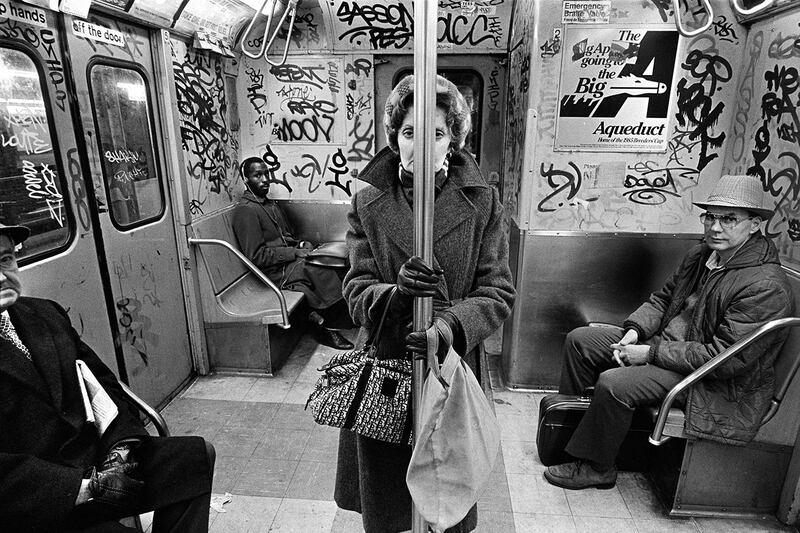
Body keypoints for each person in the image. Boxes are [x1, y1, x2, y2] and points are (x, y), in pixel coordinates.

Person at [334, 74, 516, 532]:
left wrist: (449, 326)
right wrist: (393, 294)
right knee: (391, 502)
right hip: (387, 364)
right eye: (410, 132)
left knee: (446, 488)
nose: (422, 145)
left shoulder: (484, 203)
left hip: (448, 363)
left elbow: (497, 291)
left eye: (435, 133)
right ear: (395, 138)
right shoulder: (368, 202)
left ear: (452, 140)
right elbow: (356, 289)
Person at [544, 174, 795, 490]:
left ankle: (597, 465)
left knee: (614, 383)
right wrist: (635, 331)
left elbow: (725, 358)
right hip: (666, 347)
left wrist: (648, 353)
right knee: (581, 341)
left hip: (711, 378)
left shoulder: (765, 286)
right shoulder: (702, 254)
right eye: (710, 217)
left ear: (754, 224)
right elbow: (664, 299)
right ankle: (575, 431)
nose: (716, 227)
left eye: (729, 219)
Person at [0, 222, 216, 532]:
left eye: (5, 259)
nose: (2, 276)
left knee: (195, 458)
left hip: (95, 461)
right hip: (39, 497)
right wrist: (79, 488)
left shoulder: (45, 314)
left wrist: (120, 451)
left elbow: (104, 385)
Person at [232, 157, 354, 350]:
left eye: (266, 174)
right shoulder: (246, 211)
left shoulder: (270, 205)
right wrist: (294, 253)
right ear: (246, 180)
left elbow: (287, 237)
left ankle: (341, 318)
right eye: (257, 175)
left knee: (333, 261)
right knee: (319, 269)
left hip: (287, 263)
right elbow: (256, 257)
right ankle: (326, 327)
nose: (264, 179)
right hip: (274, 272)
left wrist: (303, 245)